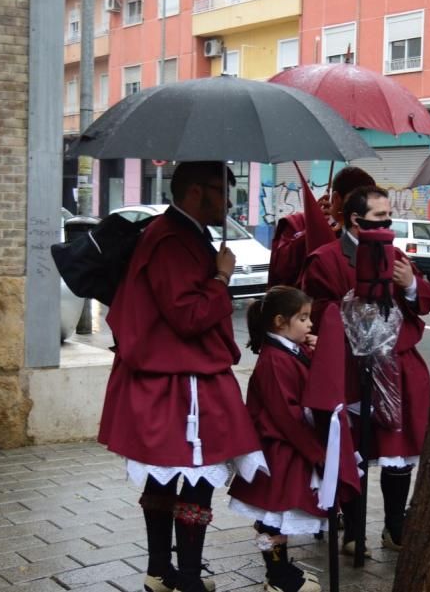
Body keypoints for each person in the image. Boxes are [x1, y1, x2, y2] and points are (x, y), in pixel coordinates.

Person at [97, 162, 267, 592]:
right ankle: (186, 579)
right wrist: (222, 277)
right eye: (223, 190)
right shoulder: (173, 239)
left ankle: (162, 572)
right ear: (195, 191)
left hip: (169, 377)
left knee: (163, 478)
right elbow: (188, 316)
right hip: (182, 380)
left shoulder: (177, 233)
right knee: (192, 480)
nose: (230, 201)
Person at [300, 185, 430, 554]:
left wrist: (409, 285)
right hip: (351, 367)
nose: (387, 224)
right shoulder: (325, 259)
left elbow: (425, 300)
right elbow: (314, 313)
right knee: (354, 451)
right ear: (356, 220)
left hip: (399, 366)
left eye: (389, 217)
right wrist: (353, 307)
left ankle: (395, 527)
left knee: (398, 451)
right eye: (380, 218)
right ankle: (353, 531)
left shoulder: (395, 255)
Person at [228, 286, 323, 592]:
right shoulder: (275, 360)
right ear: (280, 322)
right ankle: (278, 577)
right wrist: (316, 453)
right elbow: (287, 416)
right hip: (281, 451)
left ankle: (279, 571)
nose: (309, 324)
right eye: (303, 318)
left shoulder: (288, 352)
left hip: (286, 448)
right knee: (276, 516)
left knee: (278, 514)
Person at [268, 166, 375, 288]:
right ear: (336, 198)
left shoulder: (365, 231)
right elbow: (281, 267)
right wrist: (314, 229)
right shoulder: (300, 223)